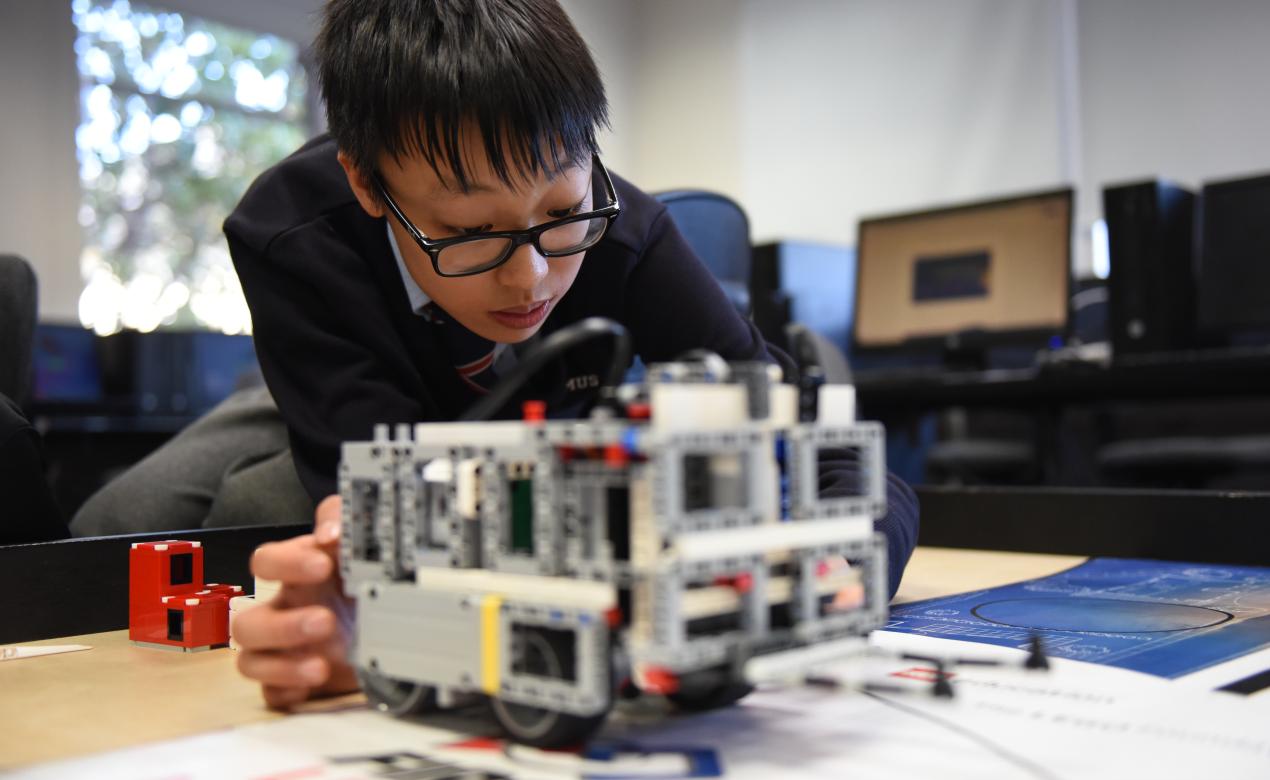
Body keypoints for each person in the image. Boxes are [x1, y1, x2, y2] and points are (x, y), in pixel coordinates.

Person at [231, 0, 919, 709]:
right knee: (191, 502)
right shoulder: (292, 237)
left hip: (518, 444)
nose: (529, 278)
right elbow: (384, 503)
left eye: (561, 213)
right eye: (469, 230)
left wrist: (835, 577)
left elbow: (839, 461)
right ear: (367, 185)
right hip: (323, 387)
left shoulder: (630, 235)